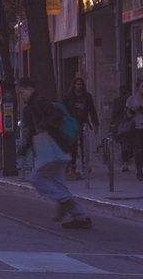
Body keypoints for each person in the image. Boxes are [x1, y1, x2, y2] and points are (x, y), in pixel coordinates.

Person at [16, 77, 91, 229]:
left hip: (54, 148)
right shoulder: (33, 105)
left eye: (21, 92)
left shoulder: (39, 101)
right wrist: (26, 148)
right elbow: (32, 130)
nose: (20, 95)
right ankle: (81, 217)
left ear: (30, 89)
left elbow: (54, 118)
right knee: (58, 184)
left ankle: (65, 201)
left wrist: (43, 126)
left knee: (37, 179)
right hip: (57, 149)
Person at [63, 76, 99, 177]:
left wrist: (96, 123)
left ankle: (85, 164)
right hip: (71, 123)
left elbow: (92, 110)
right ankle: (72, 165)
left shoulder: (87, 96)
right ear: (74, 85)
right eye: (77, 84)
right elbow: (64, 110)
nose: (79, 86)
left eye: (81, 84)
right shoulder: (68, 96)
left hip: (83, 123)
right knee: (72, 145)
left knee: (85, 145)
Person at [124, 80, 143, 182]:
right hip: (136, 128)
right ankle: (139, 171)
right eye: (142, 87)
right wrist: (133, 110)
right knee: (139, 150)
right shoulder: (131, 99)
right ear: (137, 88)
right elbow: (127, 115)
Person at [110, 85, 131, 172]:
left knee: (124, 145)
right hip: (133, 124)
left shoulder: (117, 101)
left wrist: (113, 125)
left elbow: (114, 114)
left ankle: (125, 163)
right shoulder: (131, 99)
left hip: (122, 126)